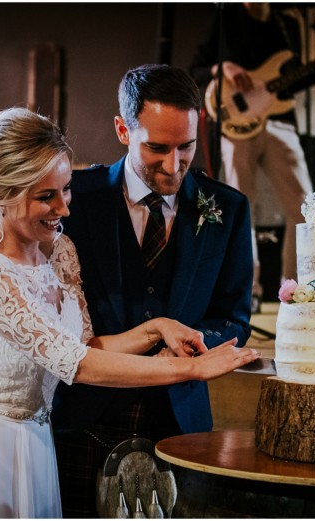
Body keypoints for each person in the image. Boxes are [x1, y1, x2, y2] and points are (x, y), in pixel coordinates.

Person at [0, 107, 260, 518]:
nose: (64, 208)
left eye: (66, 189)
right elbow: (76, 364)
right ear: (3, 195)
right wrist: (192, 370)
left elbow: (85, 344)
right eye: (46, 196)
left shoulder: (59, 250)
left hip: (36, 444)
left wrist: (156, 328)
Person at [49, 65, 254, 517]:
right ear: (123, 130)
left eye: (187, 147)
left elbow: (235, 317)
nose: (175, 164)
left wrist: (190, 350)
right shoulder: (73, 199)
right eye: (157, 148)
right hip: (84, 415)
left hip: (180, 422)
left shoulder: (229, 209)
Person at [188, 3, 315, 311]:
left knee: (305, 206)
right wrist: (222, 69)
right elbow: (195, 67)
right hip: (236, 126)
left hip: (280, 120)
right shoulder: (224, 16)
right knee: (238, 206)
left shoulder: (288, 20)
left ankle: (294, 290)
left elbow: (292, 74)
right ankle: (247, 291)